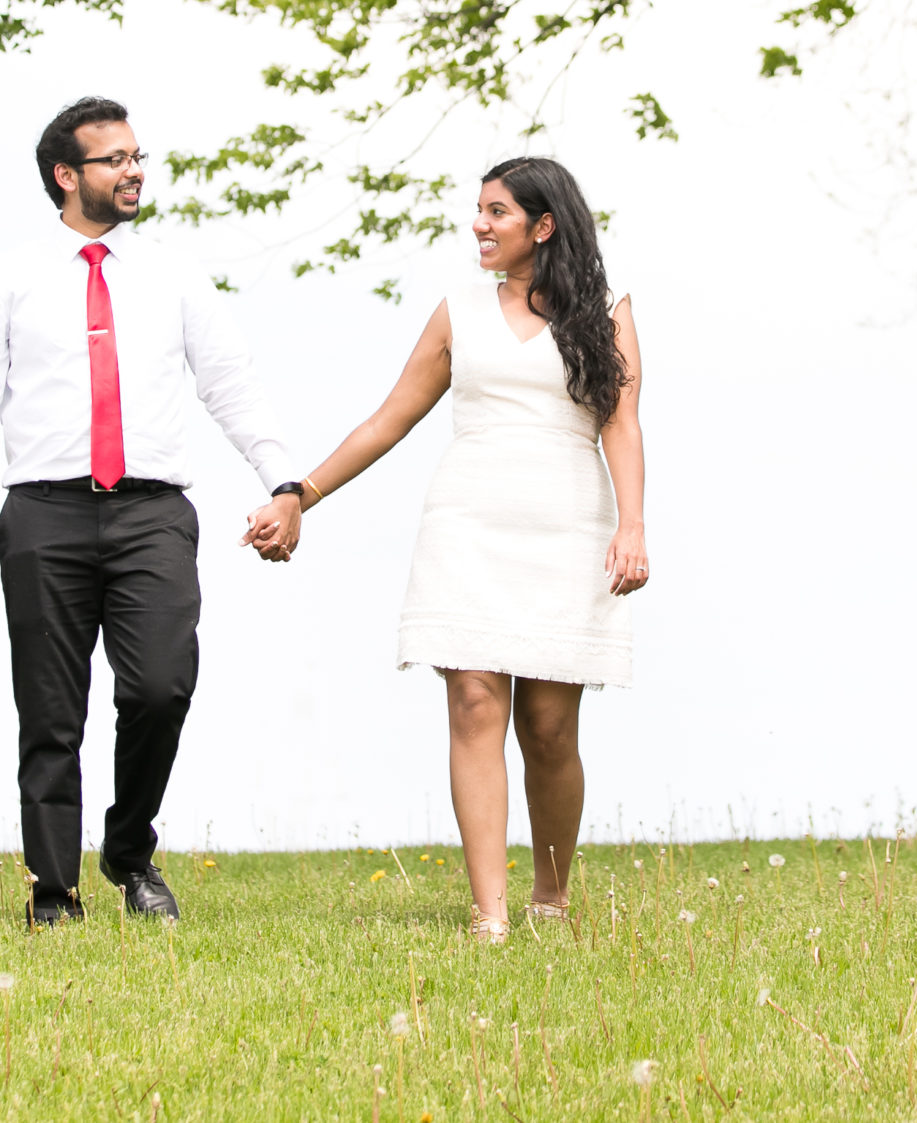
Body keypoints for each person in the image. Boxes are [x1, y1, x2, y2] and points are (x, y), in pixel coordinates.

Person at [244, 155, 648, 940]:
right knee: (472, 702)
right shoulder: (458, 311)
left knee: (549, 728)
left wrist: (632, 524)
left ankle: (551, 897)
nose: (479, 224)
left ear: (544, 224)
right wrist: (299, 492)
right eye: (479, 209)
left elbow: (622, 422)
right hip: (467, 522)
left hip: (568, 527)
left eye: (496, 211)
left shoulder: (606, 311)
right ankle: (489, 913)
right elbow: (387, 419)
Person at [0, 97, 306, 926]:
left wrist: (285, 482)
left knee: (162, 687)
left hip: (152, 516)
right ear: (67, 176)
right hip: (43, 517)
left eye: (138, 156)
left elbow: (230, 383)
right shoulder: (11, 278)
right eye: (114, 159)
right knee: (51, 710)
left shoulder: (175, 276)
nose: (134, 170)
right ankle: (53, 891)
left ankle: (129, 852)